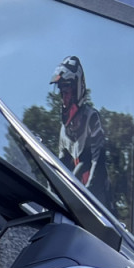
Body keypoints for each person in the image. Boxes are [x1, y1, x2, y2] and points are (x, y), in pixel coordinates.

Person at [49, 55, 108, 199]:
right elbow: (61, 169)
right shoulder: (64, 130)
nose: (64, 99)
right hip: (76, 201)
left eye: (67, 92)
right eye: (62, 92)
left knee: (83, 165)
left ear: (77, 89)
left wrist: (85, 198)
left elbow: (98, 163)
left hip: (98, 202)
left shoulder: (91, 118)